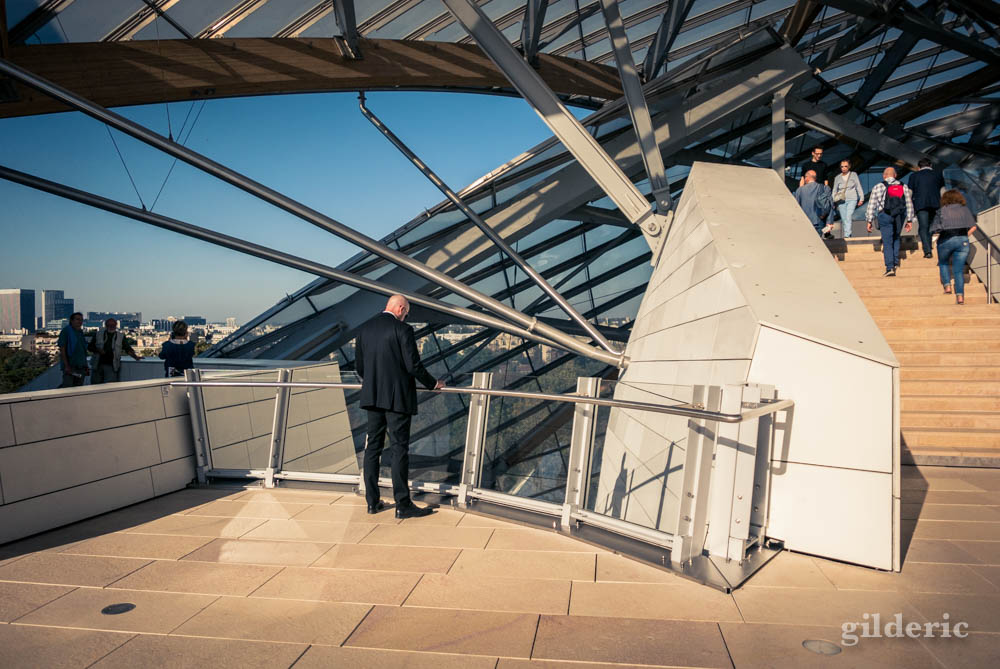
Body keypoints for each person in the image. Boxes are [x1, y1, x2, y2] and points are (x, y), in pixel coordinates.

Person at [355, 295, 445, 518]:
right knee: (399, 450)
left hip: (372, 396)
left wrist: (375, 383)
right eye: (406, 313)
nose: (406, 316)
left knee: (372, 448)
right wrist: (433, 383)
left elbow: (360, 367)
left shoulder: (364, 328)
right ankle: (402, 504)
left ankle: (372, 502)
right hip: (397, 399)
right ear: (401, 308)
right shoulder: (402, 330)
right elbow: (413, 366)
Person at [931, 189, 978, 305]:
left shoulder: (941, 211)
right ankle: (960, 297)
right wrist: (964, 236)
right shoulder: (965, 210)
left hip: (946, 240)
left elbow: (934, 229)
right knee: (958, 271)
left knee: (943, 263)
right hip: (963, 241)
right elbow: (974, 227)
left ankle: (947, 286)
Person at [866, 167, 915, 277]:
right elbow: (909, 203)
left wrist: (869, 220)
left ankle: (890, 267)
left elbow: (871, 205)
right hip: (899, 215)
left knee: (887, 241)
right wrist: (910, 219)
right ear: (895, 175)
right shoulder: (903, 186)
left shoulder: (878, 187)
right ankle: (896, 262)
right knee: (896, 237)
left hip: (884, 215)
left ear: (884, 176)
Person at [908, 157, 945, 259]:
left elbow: (909, 193)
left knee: (923, 227)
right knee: (931, 226)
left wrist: (908, 206)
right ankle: (929, 246)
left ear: (919, 167)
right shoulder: (938, 175)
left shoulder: (914, 176)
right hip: (936, 204)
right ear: (930, 165)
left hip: (920, 205)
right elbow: (943, 191)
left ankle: (927, 251)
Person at [89, 318, 143, 384]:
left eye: (113, 325)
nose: (111, 327)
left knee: (109, 386)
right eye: (109, 325)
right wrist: (98, 350)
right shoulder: (98, 335)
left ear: (116, 325)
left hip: (112, 365)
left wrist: (135, 357)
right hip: (97, 365)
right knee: (96, 386)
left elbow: (127, 348)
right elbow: (90, 347)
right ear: (106, 325)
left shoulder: (120, 336)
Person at [831, 159, 864, 239]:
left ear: (849, 166)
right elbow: (834, 190)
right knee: (844, 218)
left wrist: (862, 198)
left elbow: (858, 186)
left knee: (848, 216)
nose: (844, 168)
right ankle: (848, 233)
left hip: (852, 199)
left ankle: (847, 235)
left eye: (846, 166)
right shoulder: (837, 177)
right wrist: (833, 201)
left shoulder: (853, 174)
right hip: (841, 201)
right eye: (842, 166)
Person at [794, 169, 833, 236]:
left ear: (807, 178)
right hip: (819, 221)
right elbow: (830, 205)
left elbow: (796, 206)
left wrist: (800, 187)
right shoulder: (824, 188)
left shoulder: (800, 190)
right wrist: (829, 222)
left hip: (805, 223)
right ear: (815, 178)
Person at [57, 312, 89, 388]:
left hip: (81, 366)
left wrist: (86, 365)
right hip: (71, 366)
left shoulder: (80, 332)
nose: (80, 322)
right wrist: (67, 365)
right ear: (71, 320)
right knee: (68, 387)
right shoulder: (66, 331)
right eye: (77, 319)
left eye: (81, 320)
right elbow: (62, 349)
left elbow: (83, 350)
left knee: (78, 387)